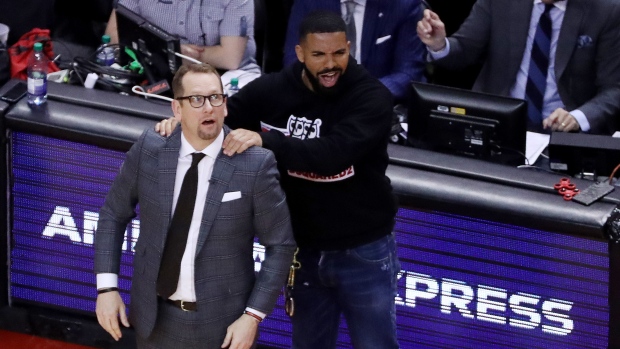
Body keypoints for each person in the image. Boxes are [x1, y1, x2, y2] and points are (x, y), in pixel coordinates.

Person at [158, 11, 400, 349]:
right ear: (300, 54)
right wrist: (186, 122)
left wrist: (265, 139)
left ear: (349, 48)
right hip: (302, 251)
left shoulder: (371, 97)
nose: (330, 64)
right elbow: (222, 117)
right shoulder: (275, 88)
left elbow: (331, 156)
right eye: (318, 55)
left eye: (338, 53)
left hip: (362, 251)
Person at [94, 63, 296, 349]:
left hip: (223, 328)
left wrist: (253, 316)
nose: (209, 108)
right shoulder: (150, 148)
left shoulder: (255, 164)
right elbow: (113, 214)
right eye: (196, 100)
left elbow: (281, 245)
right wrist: (107, 287)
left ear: (225, 105)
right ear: (177, 109)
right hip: (154, 320)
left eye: (216, 98)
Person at [417, 0, 620, 135]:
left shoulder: (606, 10)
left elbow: (613, 88)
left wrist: (577, 117)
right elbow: (465, 50)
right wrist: (439, 44)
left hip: (563, 133)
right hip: (496, 123)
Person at [282, 0, 426, 104]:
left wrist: (364, 93)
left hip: (375, 107)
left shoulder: (404, 4)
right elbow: (295, 59)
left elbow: (408, 73)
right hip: (318, 101)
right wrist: (326, 89)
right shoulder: (309, 2)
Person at [104, 0, 261, 86]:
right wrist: (169, 52)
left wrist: (173, 53)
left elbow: (229, 58)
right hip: (152, 67)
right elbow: (112, 35)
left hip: (224, 76)